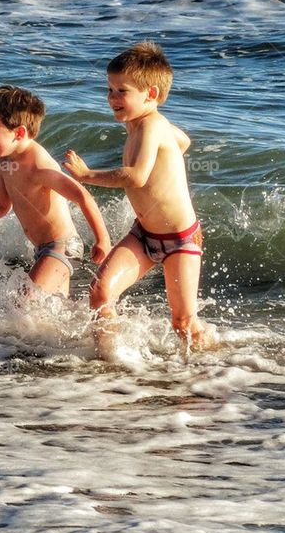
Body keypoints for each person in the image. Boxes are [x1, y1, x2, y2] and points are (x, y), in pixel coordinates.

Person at [63, 41, 215, 357]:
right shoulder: (142, 126)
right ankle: (113, 360)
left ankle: (212, 369)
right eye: (110, 89)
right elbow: (182, 140)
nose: (112, 98)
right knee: (101, 292)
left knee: (183, 322)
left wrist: (87, 175)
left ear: (151, 95)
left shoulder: (151, 125)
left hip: (181, 240)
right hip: (143, 234)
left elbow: (136, 177)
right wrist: (169, 158)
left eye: (122, 91)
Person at [0, 85, 112, 296]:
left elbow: (83, 196)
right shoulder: (6, 162)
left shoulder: (38, 165)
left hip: (63, 247)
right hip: (42, 250)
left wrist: (103, 240)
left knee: (24, 299)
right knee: (51, 312)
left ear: (19, 132)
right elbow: (1, 205)